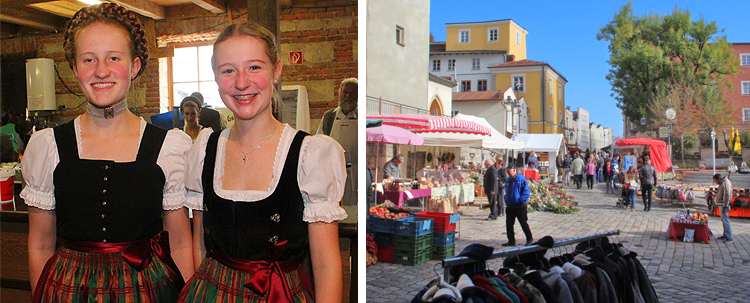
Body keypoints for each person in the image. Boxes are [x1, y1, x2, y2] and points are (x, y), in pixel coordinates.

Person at [22, 3, 194, 301]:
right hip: (70, 289)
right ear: (75, 69)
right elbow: (40, 243)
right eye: (89, 60)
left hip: (147, 289)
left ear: (134, 66)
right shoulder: (48, 146)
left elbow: (179, 243)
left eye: (114, 58)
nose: (101, 71)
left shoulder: (168, 147)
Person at [179, 22, 347, 302]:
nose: (241, 82)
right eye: (228, 70)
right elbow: (200, 247)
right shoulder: (203, 151)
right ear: (216, 78)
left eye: (254, 67)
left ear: (277, 70)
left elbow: (327, 265)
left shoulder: (309, 154)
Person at [317, 78, 358, 206]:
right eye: (345, 92)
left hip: (356, 174)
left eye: (352, 93)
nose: (348, 96)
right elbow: (319, 144)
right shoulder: (329, 117)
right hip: (334, 173)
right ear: (340, 93)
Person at [502, 163, 533, 247]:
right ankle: (511, 241)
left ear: (514, 170)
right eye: (507, 171)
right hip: (510, 206)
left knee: (523, 223)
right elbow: (507, 191)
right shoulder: (508, 180)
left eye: (509, 171)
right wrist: (506, 199)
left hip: (520, 207)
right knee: (509, 224)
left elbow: (526, 193)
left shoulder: (521, 179)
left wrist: (520, 201)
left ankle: (529, 239)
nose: (508, 172)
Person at [714, 173, 733, 243]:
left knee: (726, 220)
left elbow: (727, 195)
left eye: (715, 180)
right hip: (721, 203)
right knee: (723, 220)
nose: (715, 182)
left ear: (719, 179)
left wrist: (725, 205)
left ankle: (729, 237)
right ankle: (725, 234)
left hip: (723, 204)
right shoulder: (722, 183)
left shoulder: (725, 183)